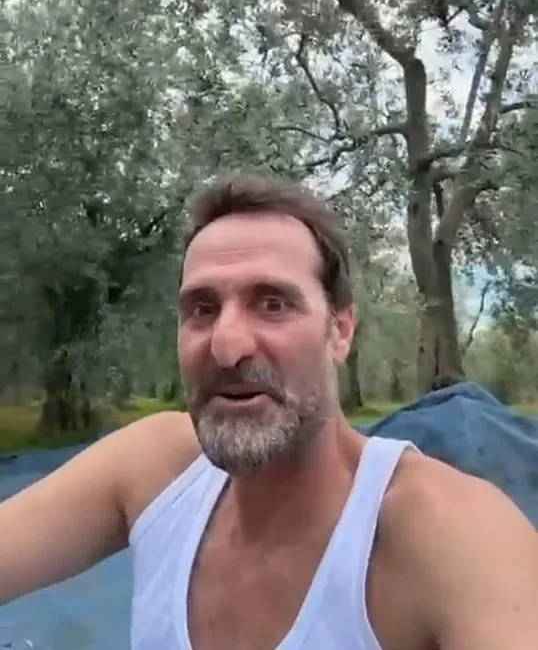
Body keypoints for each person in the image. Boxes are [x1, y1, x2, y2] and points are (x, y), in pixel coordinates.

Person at [0, 173, 536, 650]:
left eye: (273, 304)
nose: (226, 346)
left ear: (340, 331)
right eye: (202, 309)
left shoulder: (451, 533)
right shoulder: (155, 471)